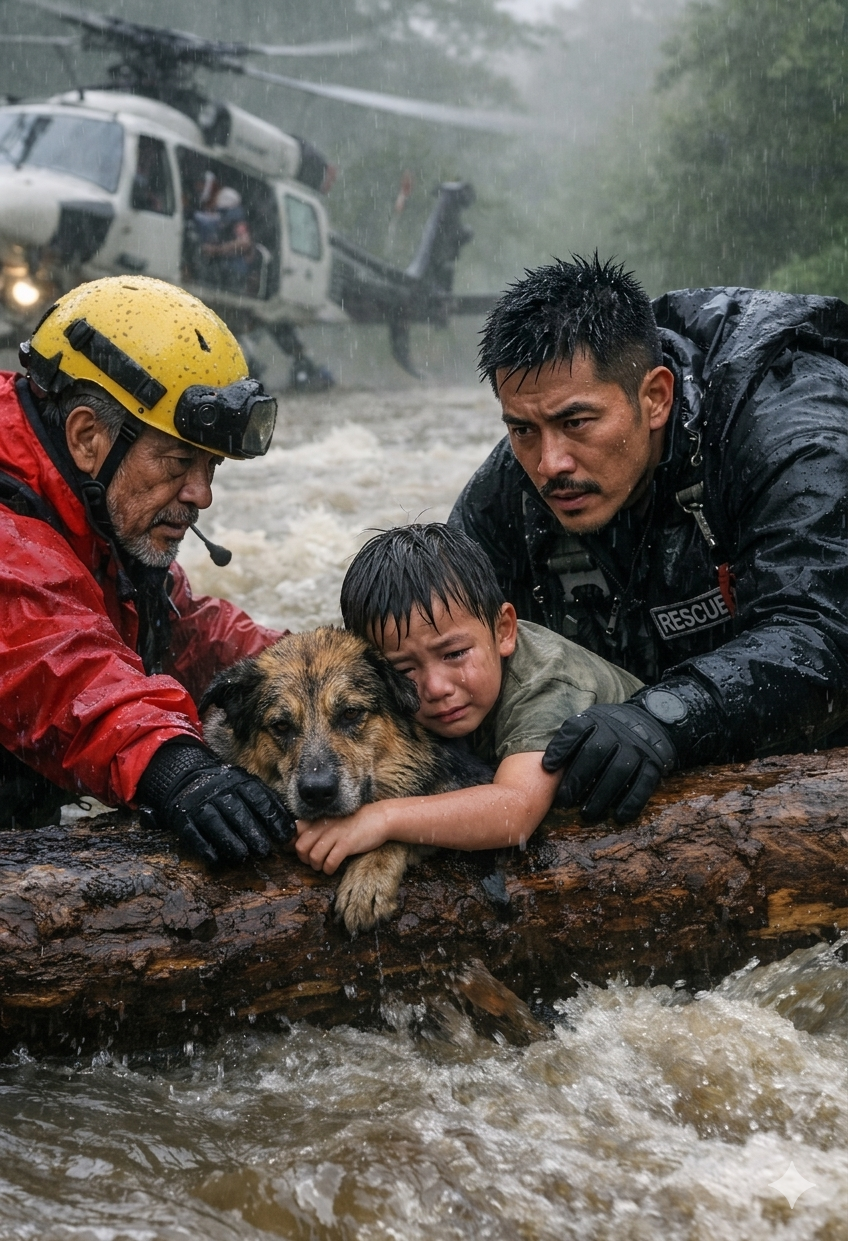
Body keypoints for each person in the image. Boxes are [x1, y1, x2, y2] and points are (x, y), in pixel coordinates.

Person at [448, 254, 848, 824]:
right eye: (522, 429)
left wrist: (662, 715)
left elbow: (824, 633)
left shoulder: (792, 434)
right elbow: (420, 639)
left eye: (576, 423)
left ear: (655, 397)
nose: (548, 464)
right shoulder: (510, 491)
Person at [0, 275, 295, 864]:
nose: (201, 495)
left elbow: (184, 633)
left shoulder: (96, 511)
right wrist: (178, 769)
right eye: (180, 459)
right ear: (87, 437)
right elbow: (60, 667)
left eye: (210, 466)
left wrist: (323, 669)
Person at [295, 522, 641, 874]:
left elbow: (516, 813)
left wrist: (381, 820)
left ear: (504, 630)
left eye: (454, 654)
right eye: (403, 670)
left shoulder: (547, 684)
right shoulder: (420, 694)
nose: (435, 687)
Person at [193, 176, 255, 292]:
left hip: (232, 275)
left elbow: (244, 243)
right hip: (222, 273)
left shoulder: (235, 217)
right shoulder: (223, 218)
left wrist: (216, 250)